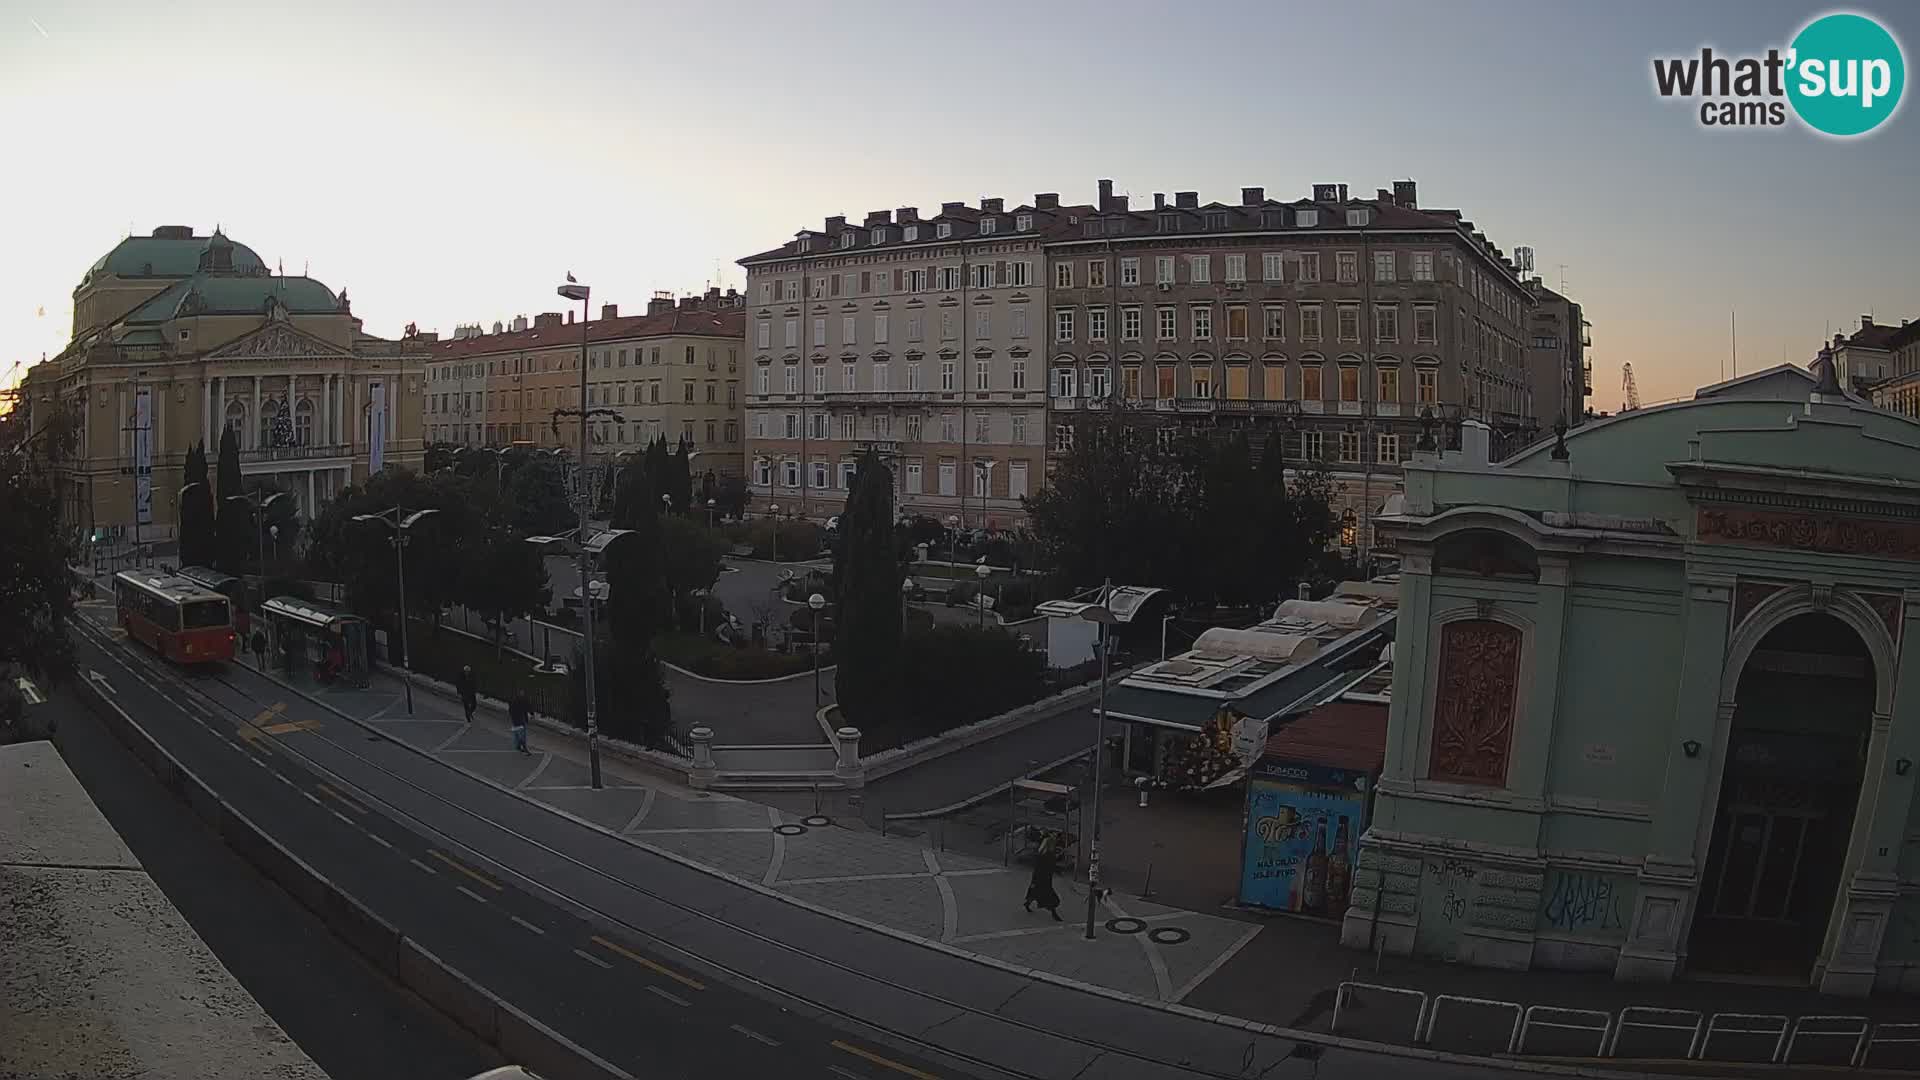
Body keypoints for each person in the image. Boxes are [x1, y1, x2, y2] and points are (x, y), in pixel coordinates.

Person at [1024, 833, 1062, 921]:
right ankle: (1054, 914)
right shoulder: (1044, 856)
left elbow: (1052, 866)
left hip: (1046, 880)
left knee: (1035, 895)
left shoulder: (1048, 854)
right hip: (1042, 880)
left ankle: (1027, 904)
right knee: (1049, 897)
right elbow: (1038, 870)